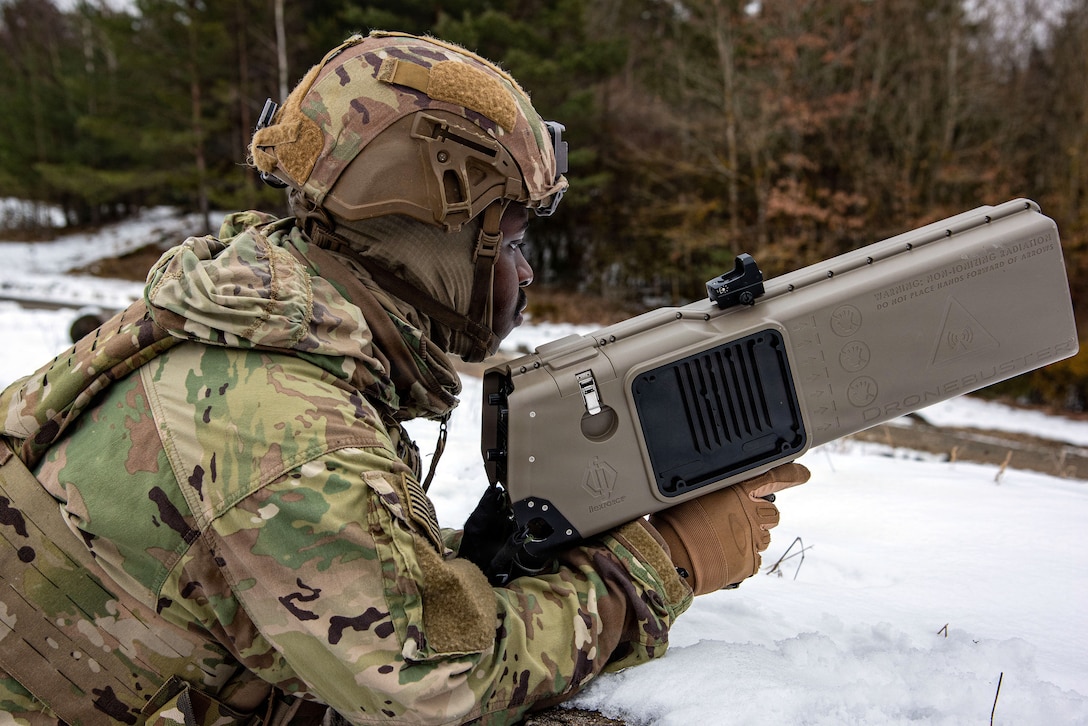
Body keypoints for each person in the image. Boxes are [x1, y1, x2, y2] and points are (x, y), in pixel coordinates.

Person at [0, 31, 809, 725]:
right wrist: (662, 562)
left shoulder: (249, 322)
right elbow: (434, 689)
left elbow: (316, 566)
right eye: (513, 236)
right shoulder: (284, 424)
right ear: (438, 232)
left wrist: (524, 549)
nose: (524, 272)